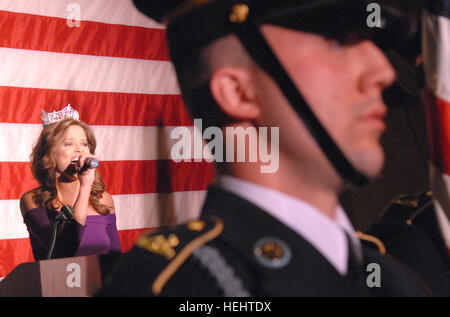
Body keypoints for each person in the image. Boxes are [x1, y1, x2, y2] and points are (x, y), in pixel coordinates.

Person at [97, 0, 431, 296]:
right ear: (239, 93)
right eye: (337, 41)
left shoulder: (395, 278)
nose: (384, 72)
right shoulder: (187, 285)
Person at [20, 105, 121, 260]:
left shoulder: (103, 200)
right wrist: (85, 187)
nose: (79, 150)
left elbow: (116, 261)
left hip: (100, 284)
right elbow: (66, 250)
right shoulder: (32, 201)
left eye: (84, 144)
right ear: (49, 153)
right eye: (69, 144)